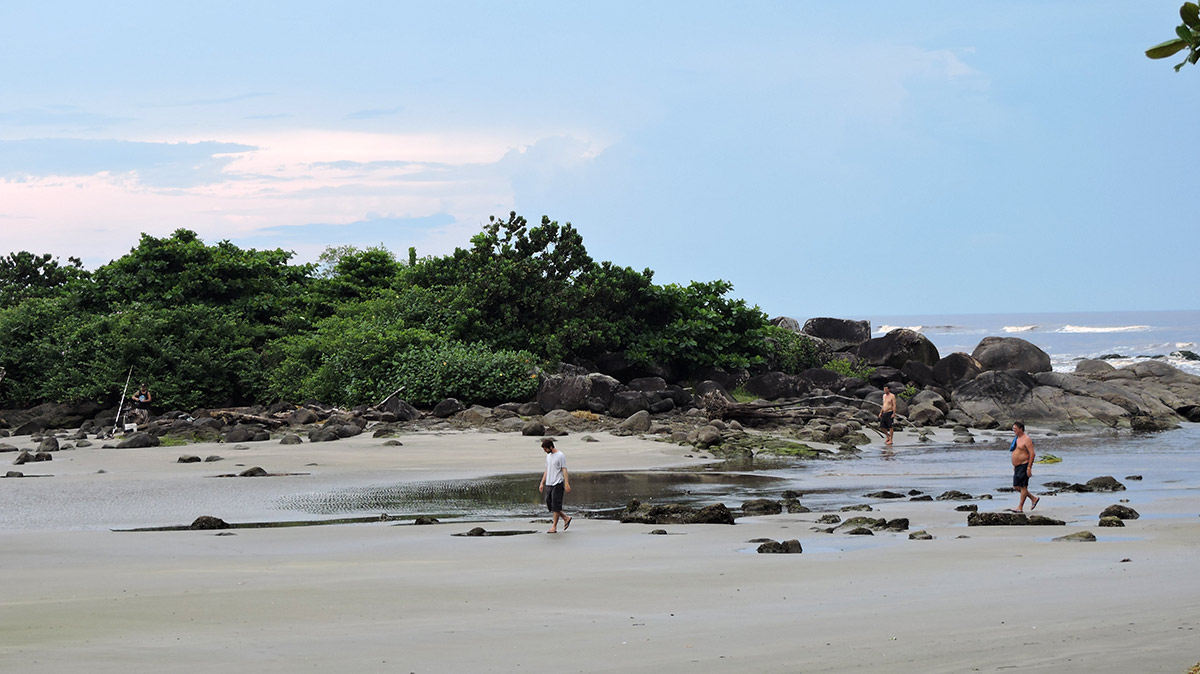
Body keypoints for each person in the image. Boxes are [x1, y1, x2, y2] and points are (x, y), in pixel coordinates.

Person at [538, 437, 572, 533]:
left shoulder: (560, 455)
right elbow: (547, 470)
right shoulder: (548, 456)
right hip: (549, 483)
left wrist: (566, 483)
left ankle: (554, 527)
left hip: (558, 483)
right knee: (550, 504)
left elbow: (564, 469)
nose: (545, 451)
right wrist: (542, 482)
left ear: (551, 447)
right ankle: (566, 518)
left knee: (556, 506)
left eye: (545, 449)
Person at [1009, 421, 1040, 512]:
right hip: (1018, 466)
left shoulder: (1026, 439)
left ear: (1021, 429)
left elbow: (1032, 454)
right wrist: (1015, 465)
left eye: (1015, 429)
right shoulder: (1016, 438)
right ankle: (1033, 498)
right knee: (1016, 486)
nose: (1014, 430)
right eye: (1013, 429)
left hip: (1024, 465)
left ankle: (1020, 507)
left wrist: (1029, 467)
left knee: (1023, 487)